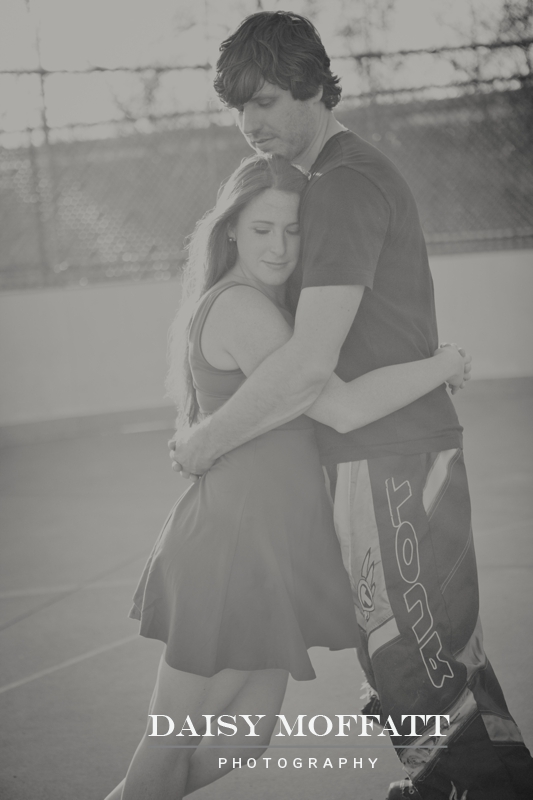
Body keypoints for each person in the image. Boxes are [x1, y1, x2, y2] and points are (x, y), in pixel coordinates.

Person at [169, 11, 533, 800]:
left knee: (416, 654)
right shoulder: (324, 182)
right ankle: (445, 782)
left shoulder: (341, 184)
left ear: (312, 88)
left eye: (266, 101)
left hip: (388, 454)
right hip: (381, 450)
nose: (250, 123)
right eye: (239, 106)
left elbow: (308, 368)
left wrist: (204, 441)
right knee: (417, 649)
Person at [105, 153, 469, 800]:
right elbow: (343, 407)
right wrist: (446, 362)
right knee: (172, 738)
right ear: (230, 231)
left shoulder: (275, 309)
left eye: (293, 230)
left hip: (268, 547)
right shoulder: (244, 308)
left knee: (245, 736)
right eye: (261, 229)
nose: (278, 246)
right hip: (232, 546)